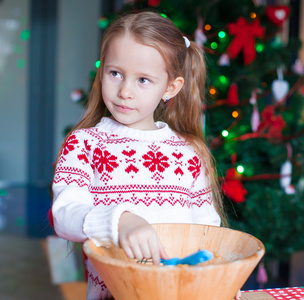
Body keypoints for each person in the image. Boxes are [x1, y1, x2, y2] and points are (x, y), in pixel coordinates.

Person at [52, 11, 241, 300]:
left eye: (143, 80)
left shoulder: (188, 153)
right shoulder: (85, 144)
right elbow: (64, 215)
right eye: (115, 73)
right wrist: (121, 221)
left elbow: (206, 233)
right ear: (102, 71)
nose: (125, 91)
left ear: (170, 88)